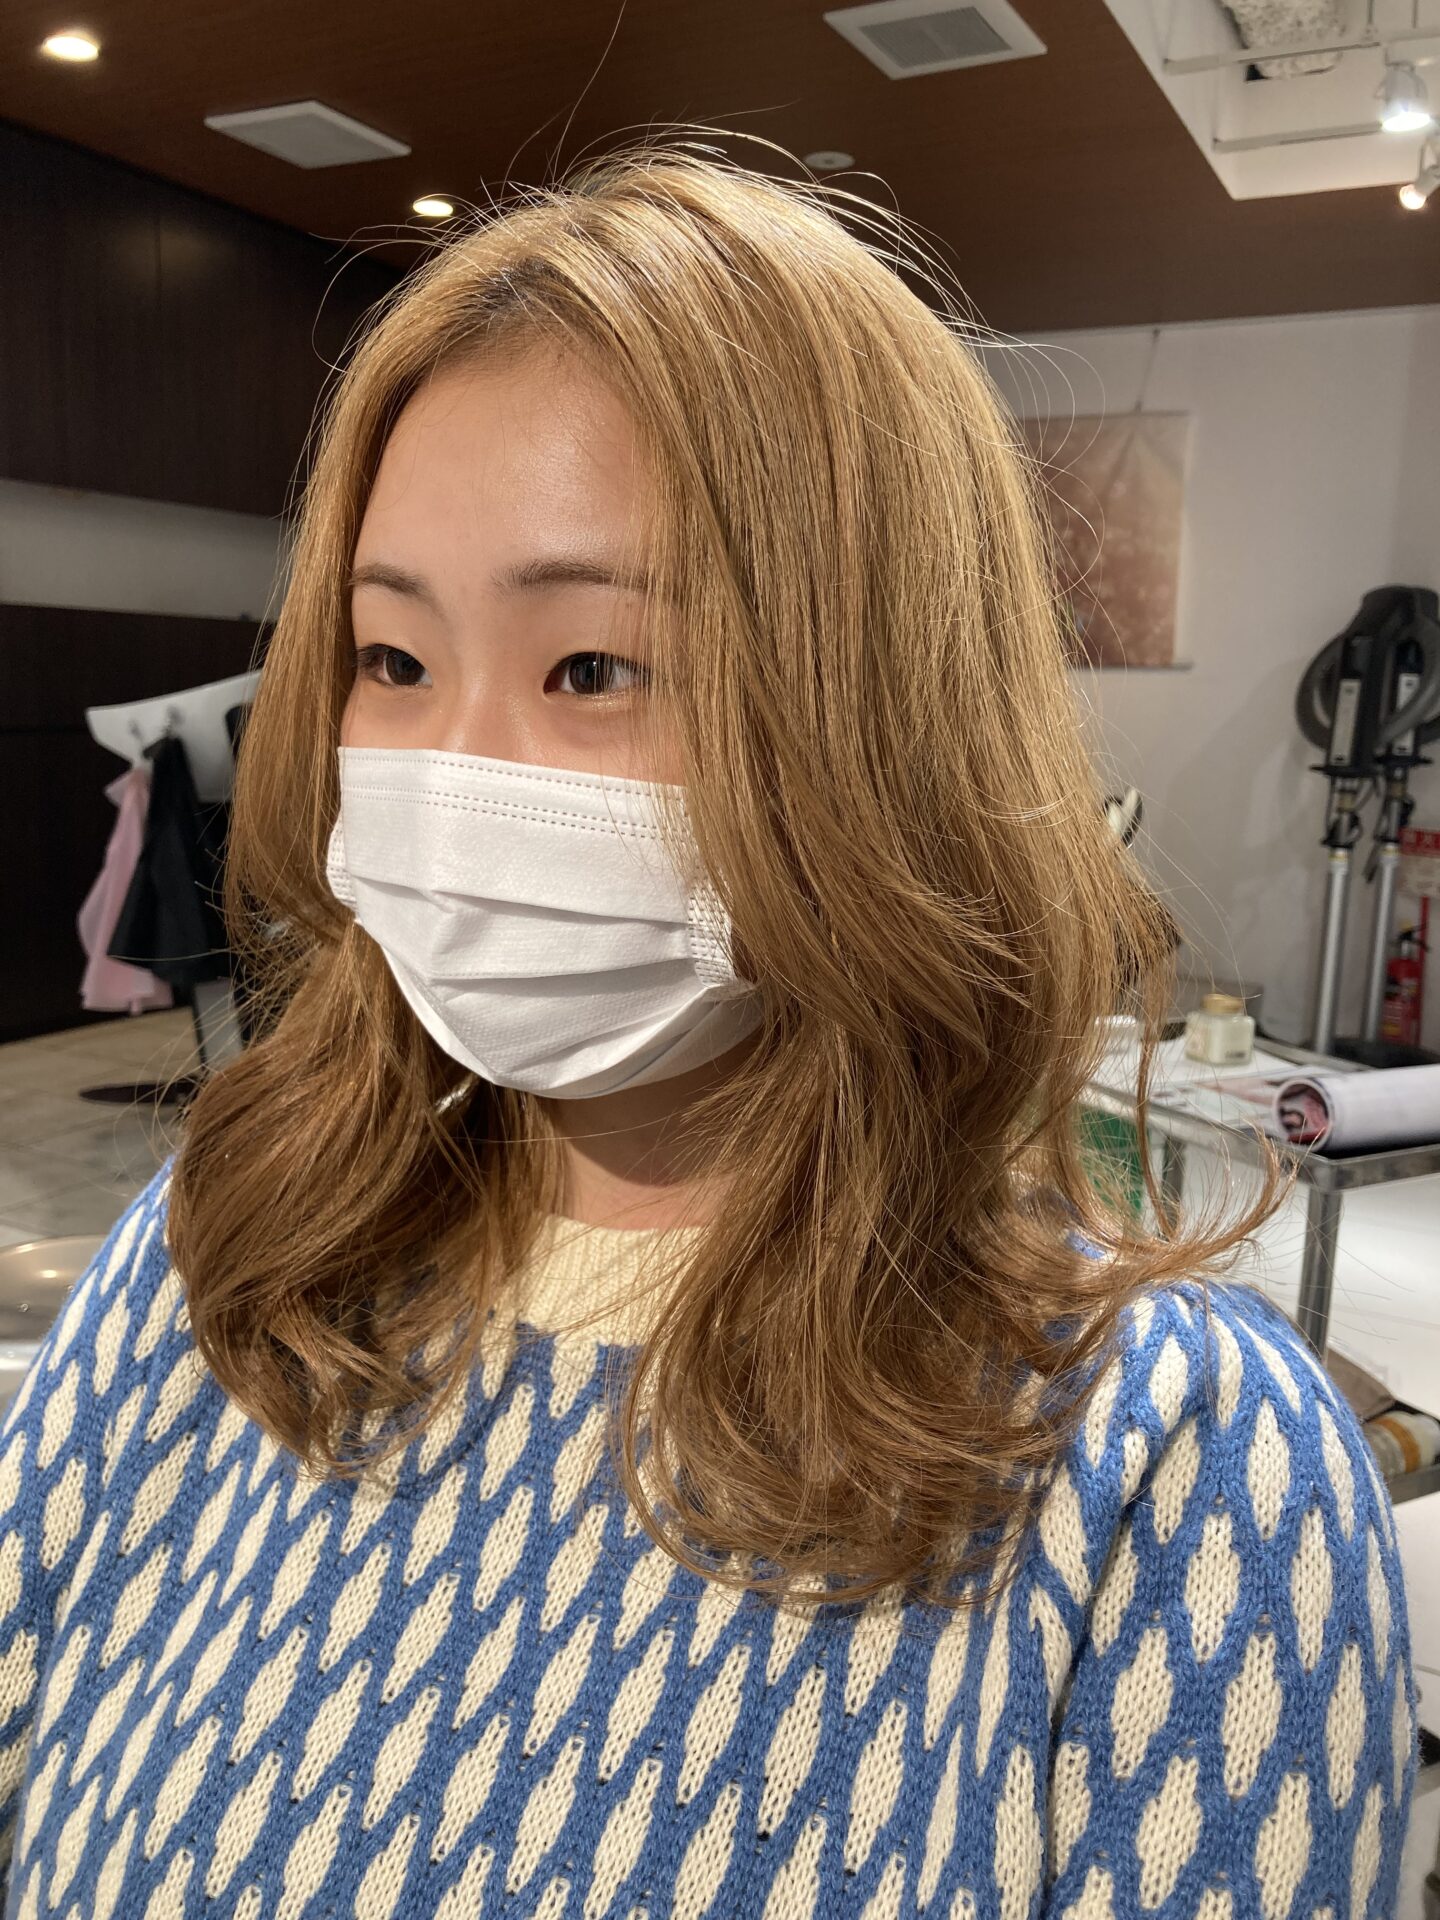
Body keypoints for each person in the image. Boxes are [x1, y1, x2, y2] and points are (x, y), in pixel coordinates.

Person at [0, 142, 1415, 1918]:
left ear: (882, 725)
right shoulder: (227, 1261)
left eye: (594, 669)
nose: (454, 773)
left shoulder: (1181, 1482)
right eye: (392, 661)